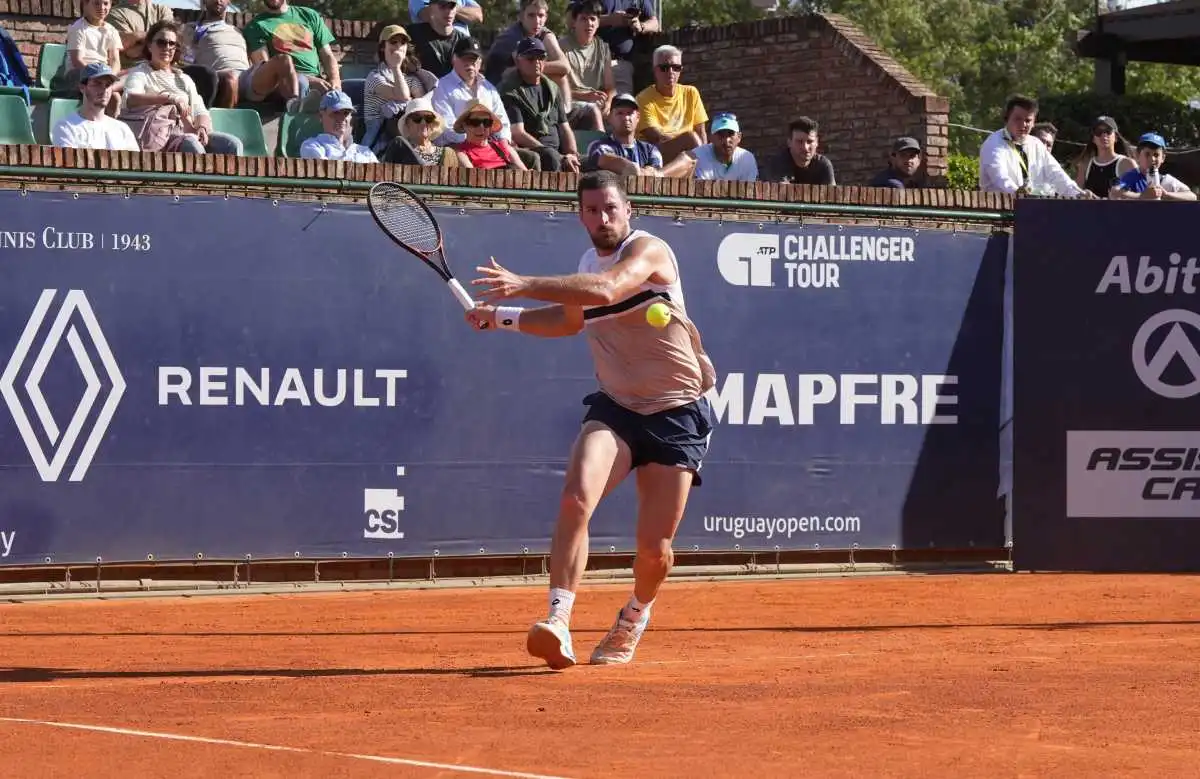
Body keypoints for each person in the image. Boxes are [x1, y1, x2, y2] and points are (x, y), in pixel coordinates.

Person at [465, 170, 718, 669]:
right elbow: (568, 319)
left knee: (655, 550)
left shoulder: (651, 251)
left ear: (629, 211)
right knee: (576, 496)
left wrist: (525, 285)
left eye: (611, 209)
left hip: (678, 413)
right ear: (580, 214)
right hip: (617, 406)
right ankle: (558, 620)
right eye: (592, 211)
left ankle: (633, 618)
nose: (602, 219)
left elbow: (606, 290)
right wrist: (502, 318)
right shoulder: (586, 261)